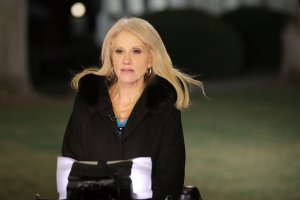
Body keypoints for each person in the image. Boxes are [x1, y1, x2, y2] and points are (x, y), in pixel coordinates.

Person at [62, 17, 203, 200]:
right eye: (119, 51)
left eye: (136, 51)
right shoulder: (87, 99)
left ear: (150, 59)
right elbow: (71, 164)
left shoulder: (164, 105)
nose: (126, 60)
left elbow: (170, 177)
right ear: (111, 57)